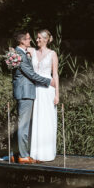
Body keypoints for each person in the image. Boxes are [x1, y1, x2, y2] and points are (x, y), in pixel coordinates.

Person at [12, 29, 53, 163]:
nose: (31, 41)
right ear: (22, 41)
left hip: (24, 92)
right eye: (28, 39)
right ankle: (23, 156)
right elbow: (31, 74)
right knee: (23, 125)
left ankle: (16, 153)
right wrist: (48, 81)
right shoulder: (20, 55)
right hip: (25, 92)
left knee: (21, 124)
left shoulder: (20, 53)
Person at [27, 29, 59, 162]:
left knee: (47, 119)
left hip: (47, 90)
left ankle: (47, 153)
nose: (37, 40)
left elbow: (55, 74)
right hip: (35, 89)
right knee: (36, 118)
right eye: (37, 38)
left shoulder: (52, 54)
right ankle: (34, 152)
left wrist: (57, 94)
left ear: (46, 39)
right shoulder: (32, 52)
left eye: (40, 38)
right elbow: (20, 48)